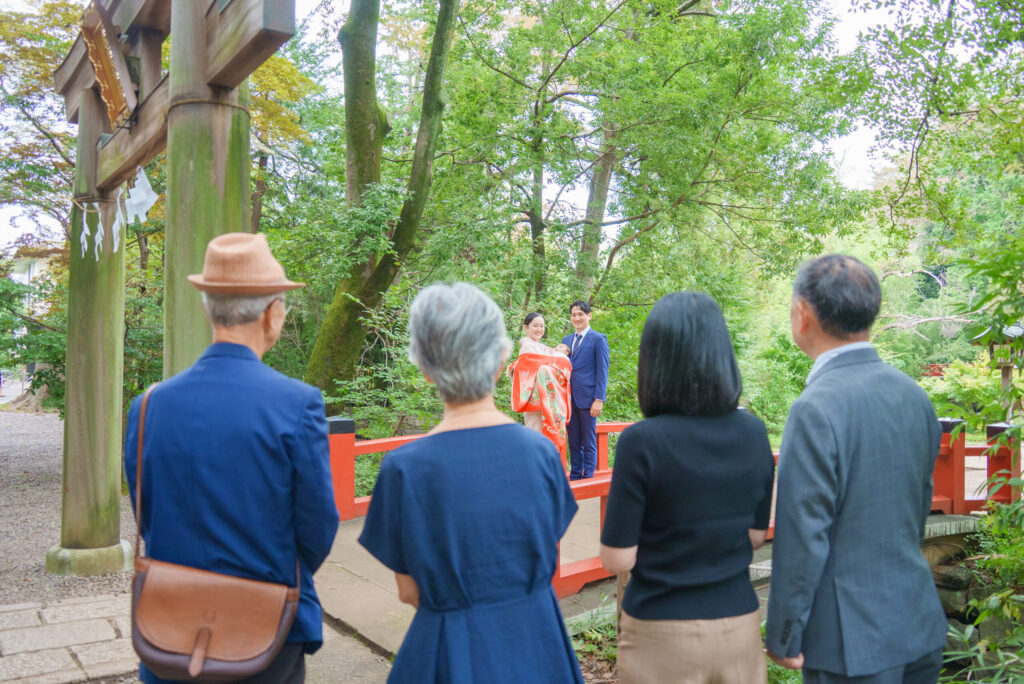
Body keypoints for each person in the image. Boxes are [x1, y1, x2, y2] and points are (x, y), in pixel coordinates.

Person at [124, 233, 340, 684]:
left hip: (169, 625)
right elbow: (317, 526)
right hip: (265, 627)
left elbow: (146, 513)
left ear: (208, 308)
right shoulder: (297, 403)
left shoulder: (148, 405)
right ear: (272, 313)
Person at [359, 283, 584, 684]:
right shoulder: (541, 456)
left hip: (445, 648)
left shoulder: (403, 469)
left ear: (425, 370)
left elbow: (410, 593)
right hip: (538, 643)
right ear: (502, 361)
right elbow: (546, 552)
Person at [765, 255, 945, 683]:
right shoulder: (914, 395)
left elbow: (803, 534)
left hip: (850, 643)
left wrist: (784, 634)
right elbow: (916, 511)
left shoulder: (815, 407)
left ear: (802, 314)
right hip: (918, 621)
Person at [600, 292, 774, 684]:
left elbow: (617, 559)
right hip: (739, 624)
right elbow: (756, 536)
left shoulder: (640, 441)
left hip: (661, 628)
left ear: (655, 360)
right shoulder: (753, 433)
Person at [561, 299, 610, 480]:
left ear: (589, 316)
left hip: (589, 398)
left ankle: (588, 476)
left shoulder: (598, 339)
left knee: (588, 441)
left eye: (581, 314)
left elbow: (602, 371)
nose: (577, 318)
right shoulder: (566, 340)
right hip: (568, 399)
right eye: (573, 315)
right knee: (573, 441)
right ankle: (575, 475)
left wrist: (599, 399)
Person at [509, 312, 573, 448]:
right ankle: (532, 469)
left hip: (545, 399)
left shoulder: (541, 346)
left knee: (543, 440)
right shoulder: (527, 346)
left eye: (542, 326)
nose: (539, 329)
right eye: (535, 326)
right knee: (534, 436)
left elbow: (557, 359)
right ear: (526, 328)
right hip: (533, 397)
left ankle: (541, 468)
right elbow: (536, 366)